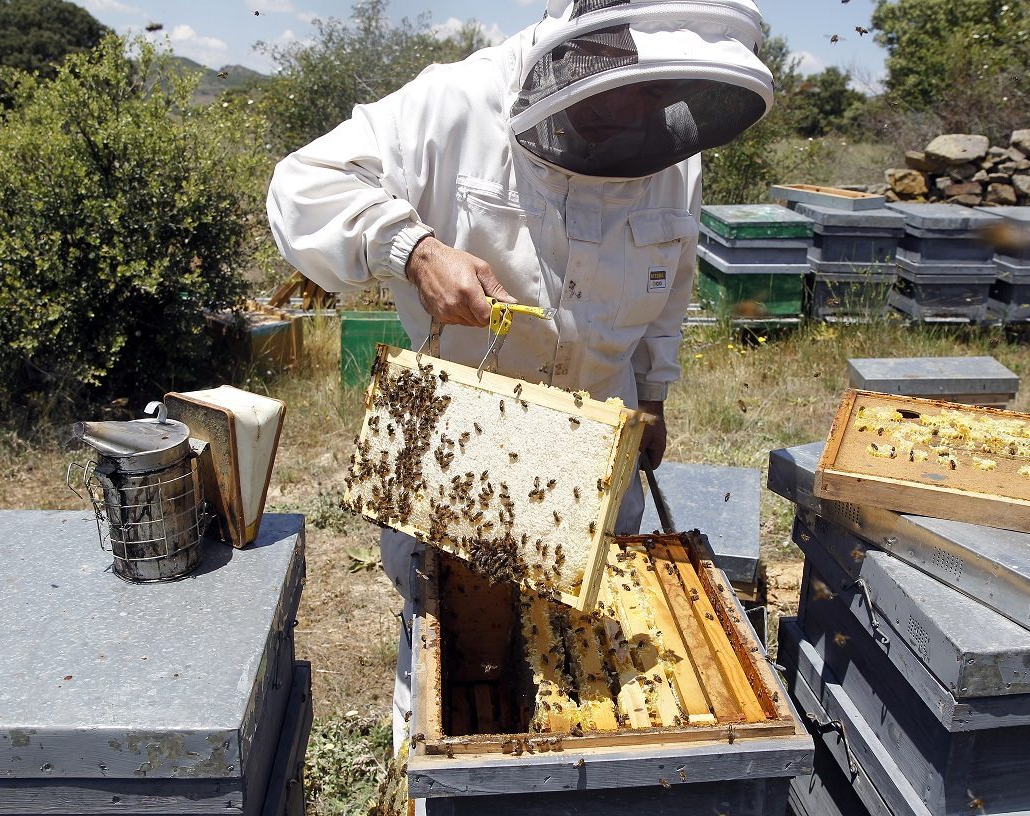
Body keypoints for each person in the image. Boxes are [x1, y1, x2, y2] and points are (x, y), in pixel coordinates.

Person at [267, 0, 774, 753]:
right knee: (450, 668)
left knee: (587, 676)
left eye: (655, 93)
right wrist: (413, 248)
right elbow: (300, 186)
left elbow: (669, 282)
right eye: (623, 87)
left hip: (599, 455)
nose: (638, 111)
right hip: (464, 453)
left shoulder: (669, 151)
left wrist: (656, 394)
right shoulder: (451, 104)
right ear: (577, 51)